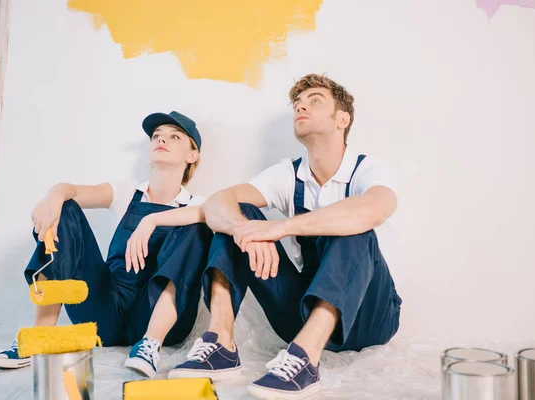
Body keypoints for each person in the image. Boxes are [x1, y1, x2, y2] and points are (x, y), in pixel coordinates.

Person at [168, 74, 402, 399]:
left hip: (370, 317)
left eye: (315, 100)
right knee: (239, 214)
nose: (301, 106)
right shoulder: (288, 174)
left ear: (342, 119)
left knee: (352, 224)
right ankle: (220, 343)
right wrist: (243, 229)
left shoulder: (367, 169)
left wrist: (279, 228)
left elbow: (375, 208)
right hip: (301, 312)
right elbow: (217, 201)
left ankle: (305, 361)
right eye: (298, 103)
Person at [0, 111, 213, 379]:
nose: (161, 140)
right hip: (105, 309)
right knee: (66, 209)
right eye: (156, 136)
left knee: (198, 225)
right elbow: (71, 190)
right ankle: (38, 336)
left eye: (174, 136)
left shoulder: (197, 204)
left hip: (162, 320)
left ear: (192, 155)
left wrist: (151, 220)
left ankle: (149, 344)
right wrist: (53, 197)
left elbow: (209, 214)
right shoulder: (127, 192)